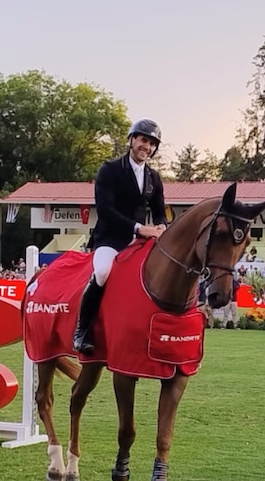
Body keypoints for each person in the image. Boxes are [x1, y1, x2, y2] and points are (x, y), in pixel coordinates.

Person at [72, 118, 168, 355]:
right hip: (111, 238)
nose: (147, 147)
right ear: (132, 140)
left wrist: (162, 226)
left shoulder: (153, 177)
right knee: (103, 271)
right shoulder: (110, 169)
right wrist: (139, 228)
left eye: (152, 144)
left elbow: (159, 211)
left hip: (141, 241)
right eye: (143, 140)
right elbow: (105, 209)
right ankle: (82, 330)